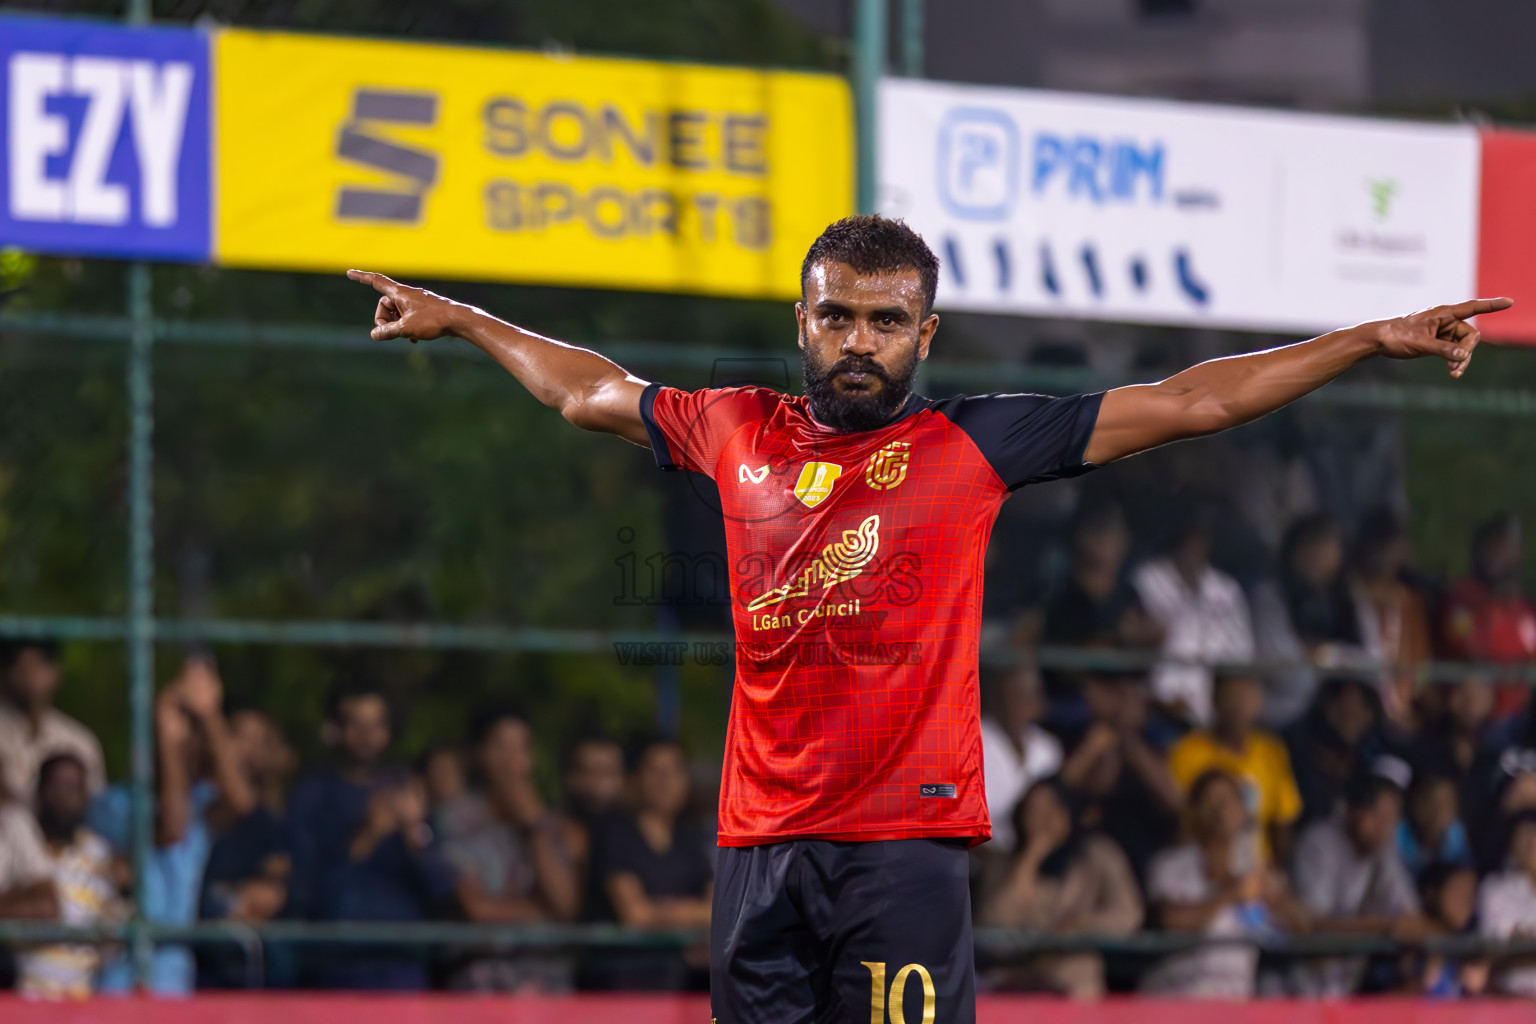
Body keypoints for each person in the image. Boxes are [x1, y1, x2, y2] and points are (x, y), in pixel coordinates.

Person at [350, 213, 1507, 1024]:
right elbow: (587, 388)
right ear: (801, 320)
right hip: (758, 847)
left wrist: (1366, 340)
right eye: (839, 316)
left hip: (904, 851)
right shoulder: (731, 427)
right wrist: (460, 318)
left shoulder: (976, 443)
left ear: (927, 334)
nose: (860, 341)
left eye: (887, 322)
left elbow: (1195, 399)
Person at [284, 674, 454, 989]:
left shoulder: (408, 790)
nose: (367, 735)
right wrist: (369, 833)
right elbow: (305, 894)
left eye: (377, 724)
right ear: (333, 728)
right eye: (355, 724)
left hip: (402, 969)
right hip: (333, 971)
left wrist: (414, 830)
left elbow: (441, 889)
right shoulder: (311, 794)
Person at [443, 706, 579, 991]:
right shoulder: (455, 819)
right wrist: (543, 913)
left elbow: (565, 906)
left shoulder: (550, 823)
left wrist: (534, 827)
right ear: (479, 754)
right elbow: (477, 908)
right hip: (481, 981)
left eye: (520, 748)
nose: (510, 760)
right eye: (500, 746)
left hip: (545, 985)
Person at [1140, 769, 1308, 999]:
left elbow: (1301, 928)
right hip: (1176, 998)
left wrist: (1274, 897)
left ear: (1242, 810)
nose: (1220, 810)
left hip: (1234, 1003)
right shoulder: (1171, 864)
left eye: (1228, 800)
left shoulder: (1254, 869)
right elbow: (1172, 922)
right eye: (1211, 802)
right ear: (1193, 813)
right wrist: (1229, 893)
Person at [977, 778, 1141, 998]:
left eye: (1053, 808)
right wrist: (1030, 858)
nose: (1044, 818)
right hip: (1015, 985)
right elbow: (995, 923)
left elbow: (1128, 914)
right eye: (1034, 810)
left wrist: (1082, 924)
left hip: (1076, 986)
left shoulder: (1097, 855)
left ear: (1069, 812)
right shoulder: (1001, 865)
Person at [581, 739, 712, 992]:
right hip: (622, 984)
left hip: (683, 982)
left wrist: (663, 911)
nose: (665, 781)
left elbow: (716, 911)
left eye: (674, 771)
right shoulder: (614, 834)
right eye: (655, 771)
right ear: (636, 779)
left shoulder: (690, 840)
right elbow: (635, 915)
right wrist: (691, 915)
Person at [1290, 771, 1425, 996]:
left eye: (1391, 818)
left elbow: (1410, 918)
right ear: (1353, 809)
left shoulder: (1383, 851)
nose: (1385, 826)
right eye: (1378, 815)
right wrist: (1381, 926)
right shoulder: (1320, 843)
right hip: (1299, 986)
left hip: (1345, 987)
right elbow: (1311, 926)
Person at [198, 705, 294, 988]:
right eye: (237, 734)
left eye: (258, 740)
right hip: (195, 975)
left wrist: (208, 712)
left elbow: (268, 899)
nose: (242, 747)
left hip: (244, 979)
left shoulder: (271, 824)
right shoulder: (191, 808)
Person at [1058, 668, 1181, 886]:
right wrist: (1101, 737)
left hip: (1146, 849)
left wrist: (1125, 733)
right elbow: (1059, 791)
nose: (1090, 697)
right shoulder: (1085, 736)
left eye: (1097, 690)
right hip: (1091, 849)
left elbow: (1174, 801)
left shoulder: (1154, 738)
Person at [18, 753, 127, 999]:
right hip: (24, 997)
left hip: (81, 1001)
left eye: (74, 787)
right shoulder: (21, 846)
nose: (66, 797)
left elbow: (112, 932)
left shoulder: (98, 854)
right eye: (57, 786)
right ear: (40, 792)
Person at [1131, 513, 1255, 726]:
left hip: (1215, 706)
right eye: (1188, 541)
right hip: (1158, 705)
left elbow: (1243, 652)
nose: (1194, 548)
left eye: (1200, 541)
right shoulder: (1147, 579)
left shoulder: (1226, 589)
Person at [1167, 671, 1302, 862]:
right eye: (1231, 696)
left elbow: (1282, 822)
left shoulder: (1271, 751)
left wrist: (1275, 871)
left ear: (1260, 702)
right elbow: (1180, 822)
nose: (1239, 706)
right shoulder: (1186, 752)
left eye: (1246, 696)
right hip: (1206, 865)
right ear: (1215, 699)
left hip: (1259, 868)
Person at [1443, 515, 1536, 719]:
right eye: (1498, 546)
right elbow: (1462, 641)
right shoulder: (1463, 597)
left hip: (1520, 716)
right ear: (1482, 549)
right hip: (1475, 712)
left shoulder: (1524, 607)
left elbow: (1530, 652)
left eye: (1511, 548)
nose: (1504, 556)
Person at [1349, 507, 1433, 725]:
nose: (1385, 557)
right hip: (1357, 706)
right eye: (1380, 548)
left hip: (1399, 710)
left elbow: (1418, 667)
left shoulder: (1409, 602)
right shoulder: (1349, 596)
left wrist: (1405, 701)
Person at [0, 640, 105, 805]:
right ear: (6, 671)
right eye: (21, 664)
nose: (30, 673)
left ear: (57, 672)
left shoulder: (79, 741)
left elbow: (95, 810)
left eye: (40, 662)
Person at [979, 662, 1062, 854]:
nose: (1023, 703)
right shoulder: (972, 740)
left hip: (1037, 853)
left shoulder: (1048, 748)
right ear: (997, 698)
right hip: (982, 853)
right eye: (1015, 695)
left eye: (1029, 695)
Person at [1478, 812, 1536, 998]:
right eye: (1525, 836)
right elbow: (1493, 950)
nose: (1531, 843)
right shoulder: (1495, 887)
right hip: (1510, 997)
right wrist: (1519, 946)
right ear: (1511, 843)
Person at [1397, 770, 1473, 878]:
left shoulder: (1456, 833)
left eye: (1446, 804)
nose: (1437, 812)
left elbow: (1465, 876)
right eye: (1429, 802)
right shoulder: (1395, 835)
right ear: (1414, 804)